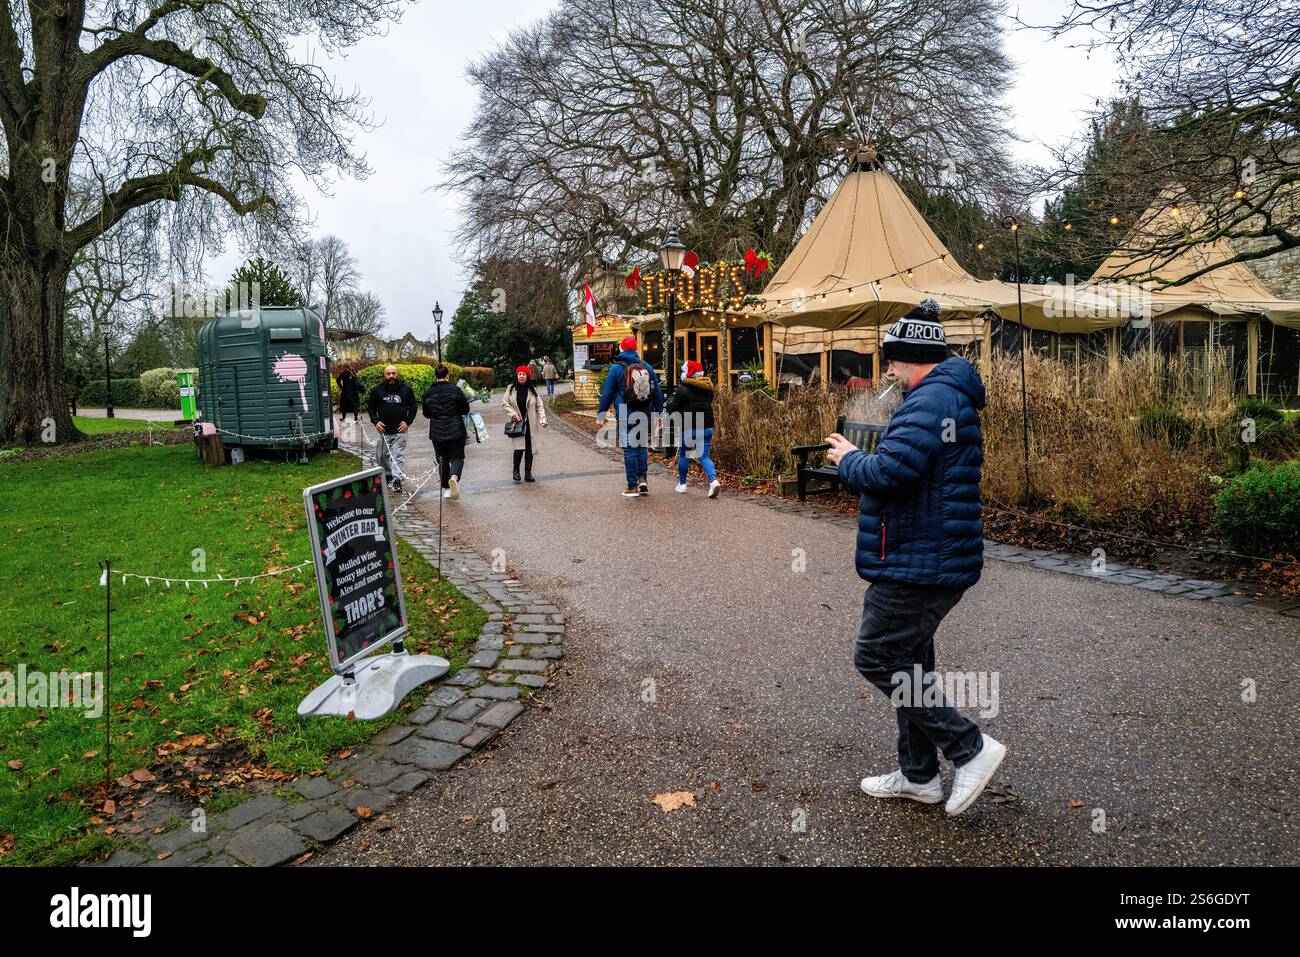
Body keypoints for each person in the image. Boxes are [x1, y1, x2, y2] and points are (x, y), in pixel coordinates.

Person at [823, 299, 1006, 817]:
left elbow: (889, 475)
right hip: (925, 554)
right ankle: (920, 776)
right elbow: (913, 463)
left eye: (893, 360)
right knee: (910, 661)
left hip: (922, 560)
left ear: (912, 357)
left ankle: (970, 749)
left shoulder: (931, 401)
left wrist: (850, 459)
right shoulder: (941, 397)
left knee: (878, 656)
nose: (889, 371)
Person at [596, 335, 664, 498]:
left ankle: (632, 486)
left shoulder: (616, 368)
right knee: (641, 447)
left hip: (626, 413)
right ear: (635, 349)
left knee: (629, 449)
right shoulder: (646, 366)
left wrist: (601, 413)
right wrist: (660, 411)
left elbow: (607, 393)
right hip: (644, 412)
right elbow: (657, 391)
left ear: (622, 348)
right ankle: (642, 480)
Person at [665, 359, 720, 498]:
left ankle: (682, 484)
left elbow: (672, 407)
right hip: (706, 426)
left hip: (689, 428)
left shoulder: (683, 390)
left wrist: (670, 402)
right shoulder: (708, 389)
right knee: (704, 456)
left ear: (687, 374)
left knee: (684, 454)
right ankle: (713, 481)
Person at [422, 365, 471, 500]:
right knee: (457, 457)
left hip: (437, 432)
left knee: (442, 460)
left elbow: (426, 413)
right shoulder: (456, 390)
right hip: (456, 429)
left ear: (435, 376)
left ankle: (446, 489)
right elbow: (465, 409)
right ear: (447, 375)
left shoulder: (428, 393)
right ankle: (454, 478)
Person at [367, 364, 416, 491]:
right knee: (381, 456)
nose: (391, 376)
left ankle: (397, 480)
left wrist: (407, 422)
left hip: (400, 431)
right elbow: (371, 408)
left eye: (393, 373)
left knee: (397, 455)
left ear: (397, 374)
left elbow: (413, 407)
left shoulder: (406, 389)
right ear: (384, 375)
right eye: (388, 374)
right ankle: (388, 476)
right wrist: (376, 421)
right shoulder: (377, 390)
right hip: (383, 431)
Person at [503, 364, 547, 482]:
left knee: (529, 449)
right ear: (517, 375)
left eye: (524, 374)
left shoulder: (532, 390)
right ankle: (516, 471)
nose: (521, 376)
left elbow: (539, 405)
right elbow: (505, 403)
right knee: (518, 448)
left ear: (527, 376)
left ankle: (528, 473)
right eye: (519, 374)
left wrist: (543, 419)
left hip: (531, 425)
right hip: (518, 423)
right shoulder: (511, 388)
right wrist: (513, 414)